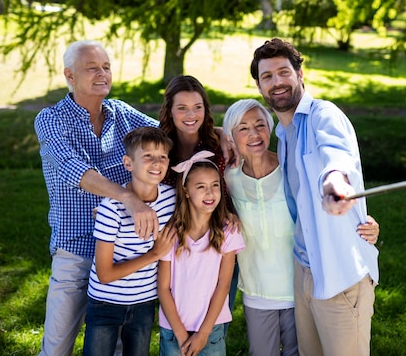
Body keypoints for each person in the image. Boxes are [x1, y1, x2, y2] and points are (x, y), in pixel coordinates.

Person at [249, 38, 380, 356]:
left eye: (283, 72)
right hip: (304, 271)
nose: (276, 82)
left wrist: (335, 184)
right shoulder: (282, 134)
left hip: (340, 274)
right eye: (267, 77)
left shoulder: (324, 116)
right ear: (259, 85)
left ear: (300, 74)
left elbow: (336, 157)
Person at [35, 40, 162, 356]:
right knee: (56, 348)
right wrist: (129, 200)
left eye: (106, 67)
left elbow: (168, 134)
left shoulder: (120, 112)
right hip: (76, 251)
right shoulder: (51, 119)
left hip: (120, 251)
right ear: (70, 75)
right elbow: (73, 169)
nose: (102, 73)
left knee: (114, 350)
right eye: (92, 68)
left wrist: (220, 134)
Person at [82, 127, 177, 356]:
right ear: (128, 163)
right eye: (148, 157)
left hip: (144, 303)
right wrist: (154, 255)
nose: (157, 163)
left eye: (162, 157)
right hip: (105, 303)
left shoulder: (172, 199)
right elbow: (105, 274)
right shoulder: (110, 209)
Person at [158, 74, 240, 321]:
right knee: (177, 318)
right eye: (182, 108)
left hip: (216, 241)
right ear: (170, 111)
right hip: (175, 247)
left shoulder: (218, 144)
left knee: (216, 318)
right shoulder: (161, 149)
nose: (190, 115)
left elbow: (227, 187)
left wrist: (228, 212)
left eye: (197, 107)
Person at [222, 99, 298, 356]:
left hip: (299, 289)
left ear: (271, 127)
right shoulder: (228, 178)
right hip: (257, 291)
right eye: (243, 128)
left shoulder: (291, 170)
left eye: (260, 125)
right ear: (231, 137)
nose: (254, 134)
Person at [157, 152, 245, 356]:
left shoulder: (228, 232)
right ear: (186, 191)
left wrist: (203, 334)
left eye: (215, 185)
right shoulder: (171, 234)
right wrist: (180, 334)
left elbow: (224, 285)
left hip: (211, 330)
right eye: (201, 187)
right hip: (173, 330)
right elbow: (163, 288)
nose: (210, 193)